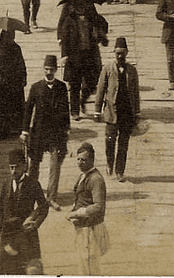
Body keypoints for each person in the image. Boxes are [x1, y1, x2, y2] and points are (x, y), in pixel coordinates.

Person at [0, 148, 50, 276]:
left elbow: (44, 207)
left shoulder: (33, 184)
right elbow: (0, 209)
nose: (13, 171)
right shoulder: (6, 184)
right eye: (11, 167)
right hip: (7, 234)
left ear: (24, 166)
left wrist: (36, 223)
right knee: (6, 268)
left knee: (26, 269)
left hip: (26, 235)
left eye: (16, 167)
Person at [22, 54, 71, 210]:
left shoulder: (62, 87)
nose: (48, 72)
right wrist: (24, 131)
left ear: (56, 70)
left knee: (55, 165)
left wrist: (66, 129)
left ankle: (51, 197)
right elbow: (28, 110)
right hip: (38, 132)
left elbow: (65, 110)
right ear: (43, 69)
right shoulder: (36, 87)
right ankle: (30, 195)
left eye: (51, 69)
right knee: (34, 165)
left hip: (55, 134)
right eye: (46, 69)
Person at [94, 37, 141, 181]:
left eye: (122, 53)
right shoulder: (107, 69)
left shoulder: (132, 70)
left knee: (123, 144)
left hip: (127, 113)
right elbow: (101, 90)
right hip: (111, 113)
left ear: (126, 53)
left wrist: (137, 112)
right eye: (117, 53)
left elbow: (135, 92)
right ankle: (109, 163)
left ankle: (120, 170)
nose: (120, 56)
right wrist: (97, 110)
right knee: (109, 140)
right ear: (114, 53)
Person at [58, 0, 109, 119]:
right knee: (74, 84)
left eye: (83, 6)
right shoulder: (69, 20)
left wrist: (99, 24)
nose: (81, 8)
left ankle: (83, 100)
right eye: (78, 6)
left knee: (92, 82)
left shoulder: (92, 18)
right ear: (74, 7)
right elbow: (64, 39)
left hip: (90, 55)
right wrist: (64, 55)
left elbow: (104, 25)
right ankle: (75, 111)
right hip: (74, 57)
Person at [68, 143, 109, 276]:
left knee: (91, 265)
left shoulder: (96, 179)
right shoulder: (83, 175)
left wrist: (77, 213)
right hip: (82, 228)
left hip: (91, 230)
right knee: (83, 265)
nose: (80, 163)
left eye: (83, 160)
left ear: (92, 160)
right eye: (78, 159)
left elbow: (98, 206)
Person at [0, 29, 29, 139]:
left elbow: (21, 64)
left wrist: (23, 77)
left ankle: (15, 128)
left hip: (14, 82)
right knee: (1, 108)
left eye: (12, 36)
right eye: (8, 36)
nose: (11, 39)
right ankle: (0, 130)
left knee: (15, 105)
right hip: (2, 82)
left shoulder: (16, 48)